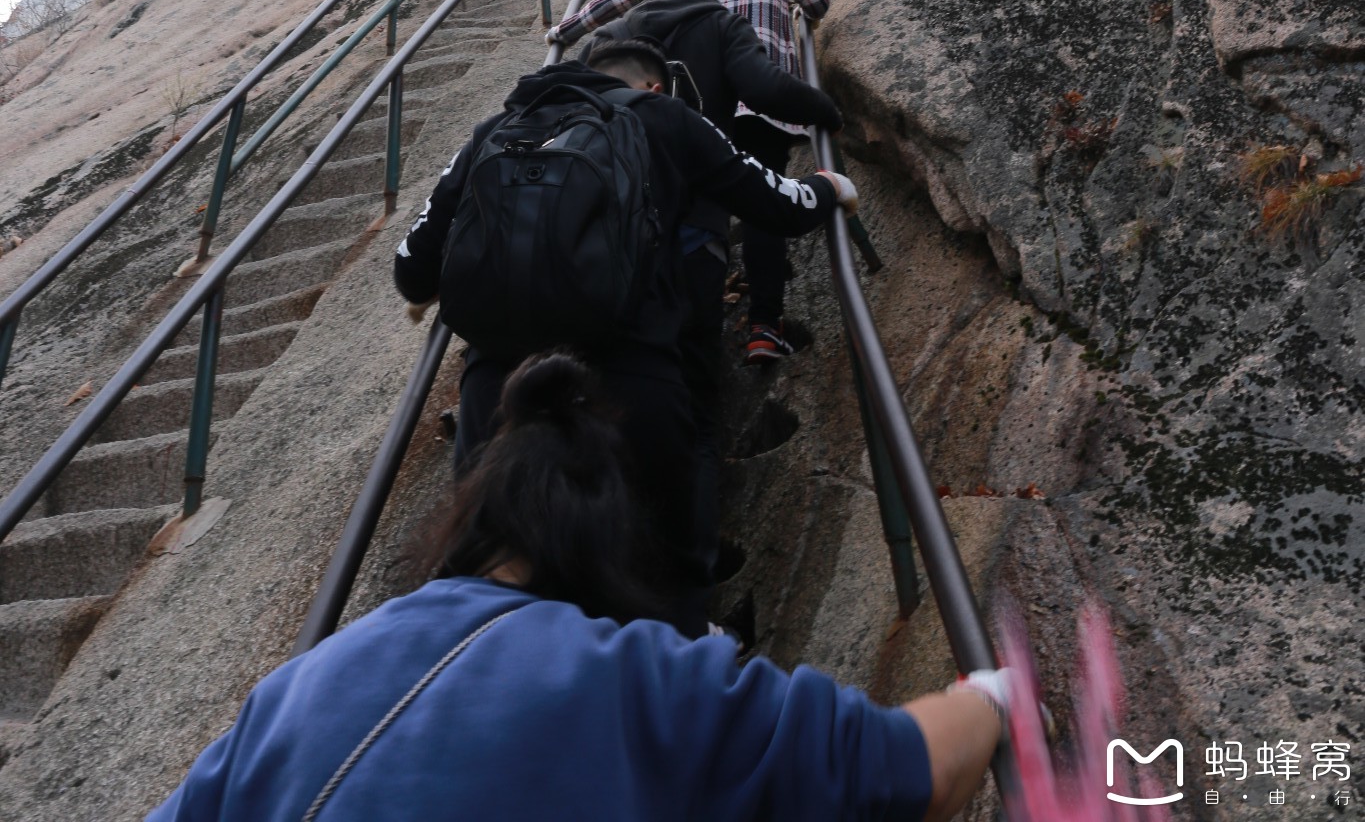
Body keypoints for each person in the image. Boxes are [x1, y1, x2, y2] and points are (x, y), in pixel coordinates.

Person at [147, 351, 1007, 822]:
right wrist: (992, 700)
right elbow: (904, 769)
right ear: (605, 536)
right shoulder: (638, 674)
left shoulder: (304, 680)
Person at [393, 40, 857, 630]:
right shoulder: (665, 116)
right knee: (669, 564)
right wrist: (828, 186)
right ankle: (689, 661)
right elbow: (773, 201)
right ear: (652, 86)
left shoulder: (495, 129)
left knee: (500, 598)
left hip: (497, 396)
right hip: (629, 384)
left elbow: (411, 269)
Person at [568, 0, 844, 575]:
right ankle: (691, 567)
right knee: (691, 391)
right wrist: (826, 112)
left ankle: (608, 548)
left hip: (601, 242)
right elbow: (767, 88)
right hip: (693, 231)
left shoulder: (603, 46)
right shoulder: (716, 24)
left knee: (604, 380)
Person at [553, 0, 833, 363]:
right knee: (764, 203)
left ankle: (675, 328)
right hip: (764, 88)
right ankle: (765, 327)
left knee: (692, 206)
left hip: (698, 99)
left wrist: (567, 29)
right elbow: (815, 1)